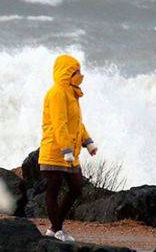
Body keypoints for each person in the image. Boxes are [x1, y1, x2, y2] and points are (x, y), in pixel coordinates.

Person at [38, 54, 97, 242]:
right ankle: (57, 231)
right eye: (76, 72)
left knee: (76, 187)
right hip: (55, 152)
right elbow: (59, 124)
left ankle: (54, 228)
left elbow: (77, 123)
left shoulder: (72, 93)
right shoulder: (57, 93)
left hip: (71, 153)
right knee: (53, 191)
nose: (80, 75)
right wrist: (66, 150)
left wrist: (87, 142)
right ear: (66, 73)